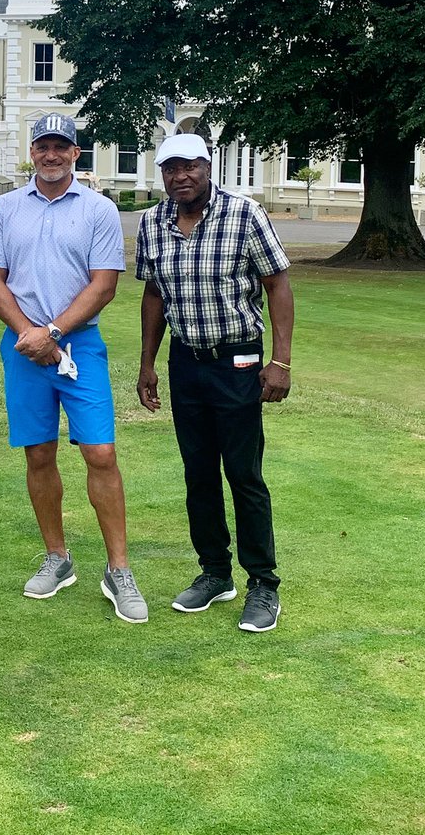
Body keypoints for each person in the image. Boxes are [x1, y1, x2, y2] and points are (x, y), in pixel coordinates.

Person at [0, 113, 148, 624]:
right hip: (23, 347)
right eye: (42, 146)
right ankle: (58, 558)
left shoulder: (98, 209)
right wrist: (31, 336)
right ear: (32, 152)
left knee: (100, 452)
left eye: (61, 147)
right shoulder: (6, 208)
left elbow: (104, 285)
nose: (51, 155)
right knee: (38, 453)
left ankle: (118, 569)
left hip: (80, 347)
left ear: (77, 153)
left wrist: (51, 333)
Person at [135, 132, 294, 634]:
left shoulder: (244, 214)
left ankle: (263, 585)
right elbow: (154, 294)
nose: (180, 177)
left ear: (208, 167)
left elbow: (277, 286)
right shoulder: (153, 222)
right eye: (170, 169)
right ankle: (214, 573)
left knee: (243, 473)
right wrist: (147, 364)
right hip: (187, 362)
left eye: (189, 167)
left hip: (240, 360)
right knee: (198, 472)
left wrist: (281, 362)